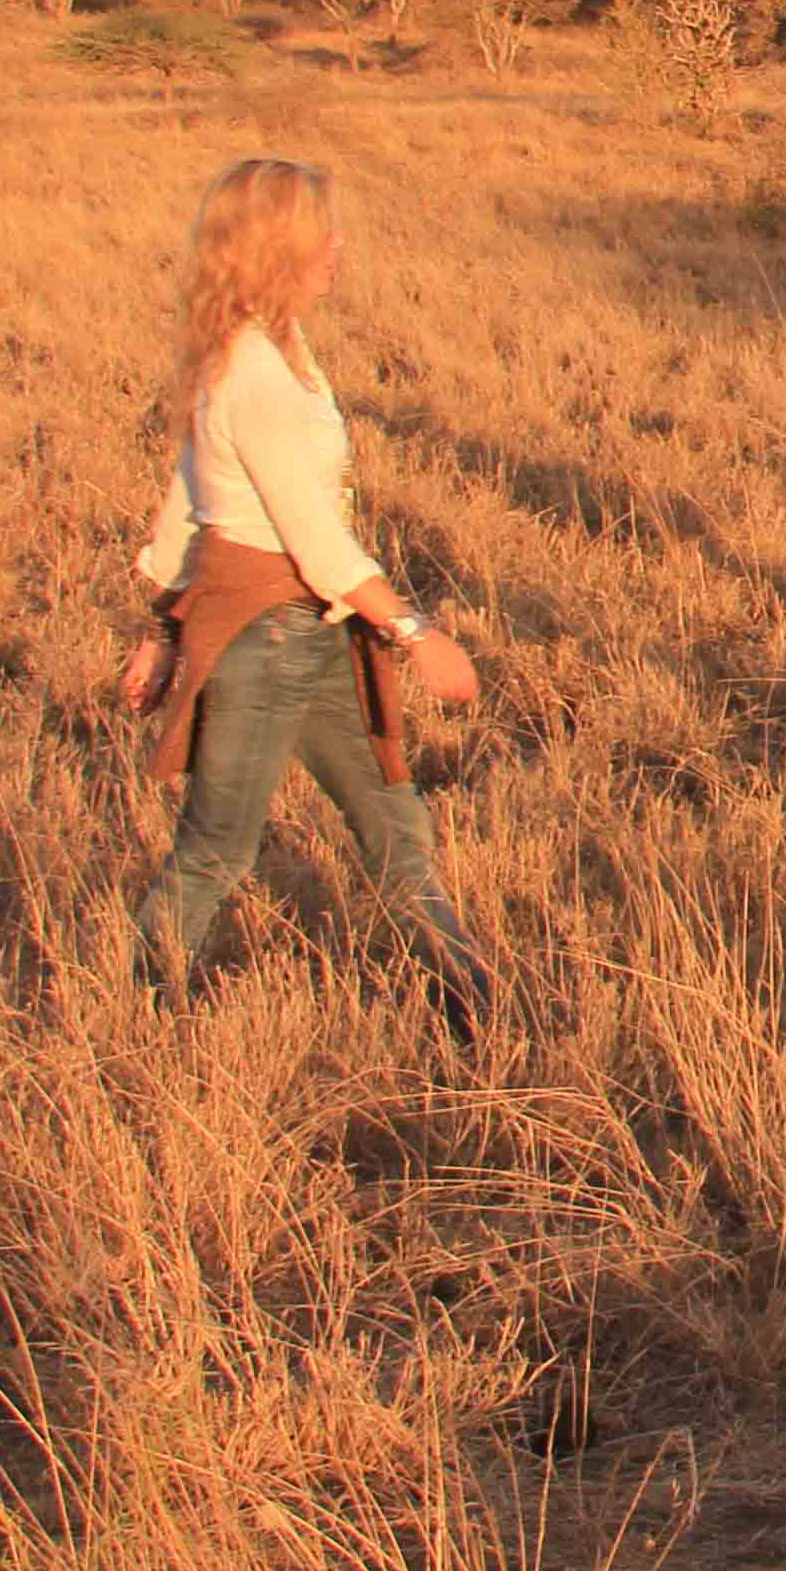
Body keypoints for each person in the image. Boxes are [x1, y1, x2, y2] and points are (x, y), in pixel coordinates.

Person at [111, 156, 489, 1007]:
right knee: (216, 850)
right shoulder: (249, 371)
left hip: (309, 634)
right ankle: (128, 1007)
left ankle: (477, 1002)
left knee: (396, 828)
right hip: (266, 637)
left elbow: (185, 500)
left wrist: (163, 627)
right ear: (279, 248)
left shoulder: (277, 348)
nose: (337, 245)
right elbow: (312, 540)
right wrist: (419, 636)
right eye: (322, 230)